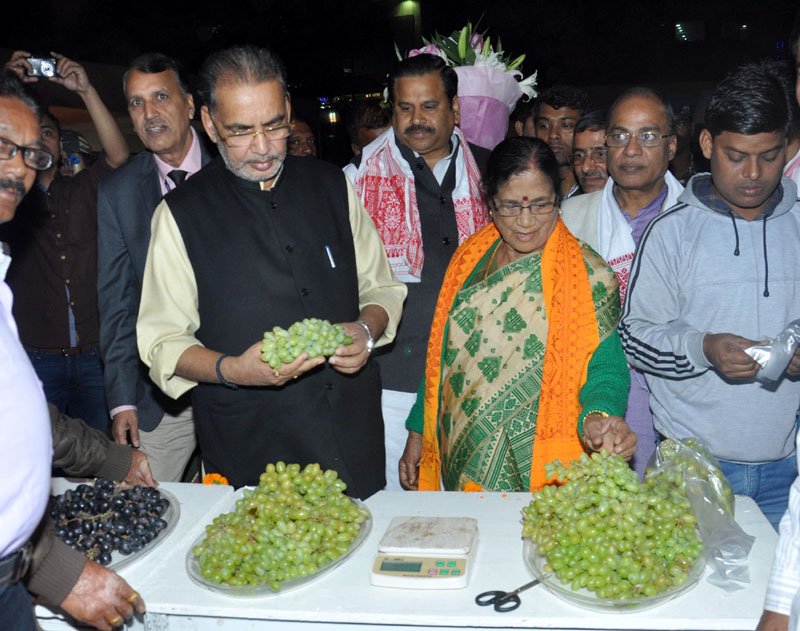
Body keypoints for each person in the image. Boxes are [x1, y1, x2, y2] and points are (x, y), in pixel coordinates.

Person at [137, 45, 406, 498]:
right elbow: (163, 343)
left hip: (350, 426)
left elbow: (381, 287)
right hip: (252, 441)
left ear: (286, 110)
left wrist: (366, 329)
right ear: (208, 123)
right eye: (240, 131)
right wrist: (233, 370)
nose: (261, 148)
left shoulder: (332, 184)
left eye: (274, 126)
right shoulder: (180, 213)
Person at [619, 61, 800, 531]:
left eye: (770, 155)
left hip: (790, 469)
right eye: (736, 155)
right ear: (706, 145)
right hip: (690, 469)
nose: (754, 173)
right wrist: (702, 347)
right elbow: (635, 338)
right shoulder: (671, 233)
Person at [398, 137, 635, 491]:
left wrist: (600, 415)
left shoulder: (588, 275)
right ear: (489, 201)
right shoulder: (468, 260)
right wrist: (418, 430)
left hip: (539, 458)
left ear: (559, 200)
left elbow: (606, 365)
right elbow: (442, 357)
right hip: (461, 448)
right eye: (510, 206)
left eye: (540, 205)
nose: (525, 222)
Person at [0, 70, 147, 631]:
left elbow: (23, 422)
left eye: (28, 151)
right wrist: (59, 570)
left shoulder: (79, 194)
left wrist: (114, 459)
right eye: (1, 147)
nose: (16, 165)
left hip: (15, 578)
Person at [346, 53, 490, 490]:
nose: (416, 119)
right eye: (405, 108)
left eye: (429, 106)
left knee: (474, 511)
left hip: (478, 376)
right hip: (394, 381)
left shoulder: (491, 170)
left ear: (455, 109)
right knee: (401, 510)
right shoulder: (357, 180)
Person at [97, 53, 214, 482]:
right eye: (136, 103)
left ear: (188, 105)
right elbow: (117, 302)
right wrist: (122, 400)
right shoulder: (118, 193)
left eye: (160, 97)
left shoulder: (235, 166)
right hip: (160, 396)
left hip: (241, 379)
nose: (149, 113)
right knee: (149, 508)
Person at [1, 51, 129, 432]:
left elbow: (119, 156)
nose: (40, 140)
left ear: (60, 146)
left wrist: (87, 90)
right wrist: (8, 83)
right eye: (31, 135)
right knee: (40, 450)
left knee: (96, 456)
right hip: (38, 359)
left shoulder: (83, 190)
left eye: (48, 133)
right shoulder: (12, 200)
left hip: (93, 357)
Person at [561, 87, 683, 476]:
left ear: (672, 145)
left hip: (680, 396)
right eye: (619, 136)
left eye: (647, 136)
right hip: (597, 394)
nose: (631, 150)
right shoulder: (569, 217)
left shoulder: (697, 217)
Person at [534, 85, 590, 200]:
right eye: (544, 126)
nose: (553, 135)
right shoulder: (525, 187)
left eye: (566, 125)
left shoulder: (599, 188)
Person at [571, 109, 608, 194]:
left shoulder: (641, 205)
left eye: (600, 154)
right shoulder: (569, 206)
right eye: (579, 156)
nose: (585, 168)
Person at [668, 106, 697, 186]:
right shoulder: (652, 174)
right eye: (668, 123)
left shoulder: (707, 174)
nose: (673, 130)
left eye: (680, 123)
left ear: (692, 128)